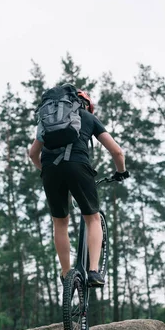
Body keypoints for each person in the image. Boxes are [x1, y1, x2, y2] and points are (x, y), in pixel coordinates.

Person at [28, 87, 129, 287]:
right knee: (92, 217)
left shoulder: (47, 121)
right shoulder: (88, 118)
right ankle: (93, 271)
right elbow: (117, 152)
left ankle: (66, 275)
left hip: (50, 170)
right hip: (78, 167)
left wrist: (46, 170)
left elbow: (33, 154)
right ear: (86, 105)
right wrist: (121, 172)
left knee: (60, 223)